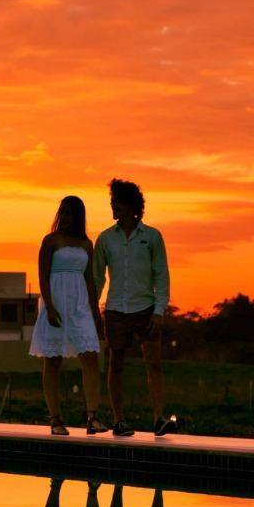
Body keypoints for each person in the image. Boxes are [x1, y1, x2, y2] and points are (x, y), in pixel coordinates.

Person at [93, 178, 172, 437]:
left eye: (116, 202)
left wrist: (160, 310)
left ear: (129, 205)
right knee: (116, 363)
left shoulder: (152, 236)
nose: (112, 207)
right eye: (111, 202)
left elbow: (161, 275)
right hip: (115, 310)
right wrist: (94, 309)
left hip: (146, 309)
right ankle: (119, 420)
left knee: (154, 363)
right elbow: (97, 277)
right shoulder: (105, 239)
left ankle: (158, 418)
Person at [28, 195, 106, 435]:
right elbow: (42, 276)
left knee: (90, 357)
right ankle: (55, 419)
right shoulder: (50, 241)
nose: (64, 217)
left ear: (78, 216)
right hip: (56, 303)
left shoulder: (86, 244)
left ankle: (92, 417)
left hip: (80, 304)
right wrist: (49, 307)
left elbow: (90, 281)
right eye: (62, 212)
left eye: (70, 213)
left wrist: (95, 312)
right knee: (52, 361)